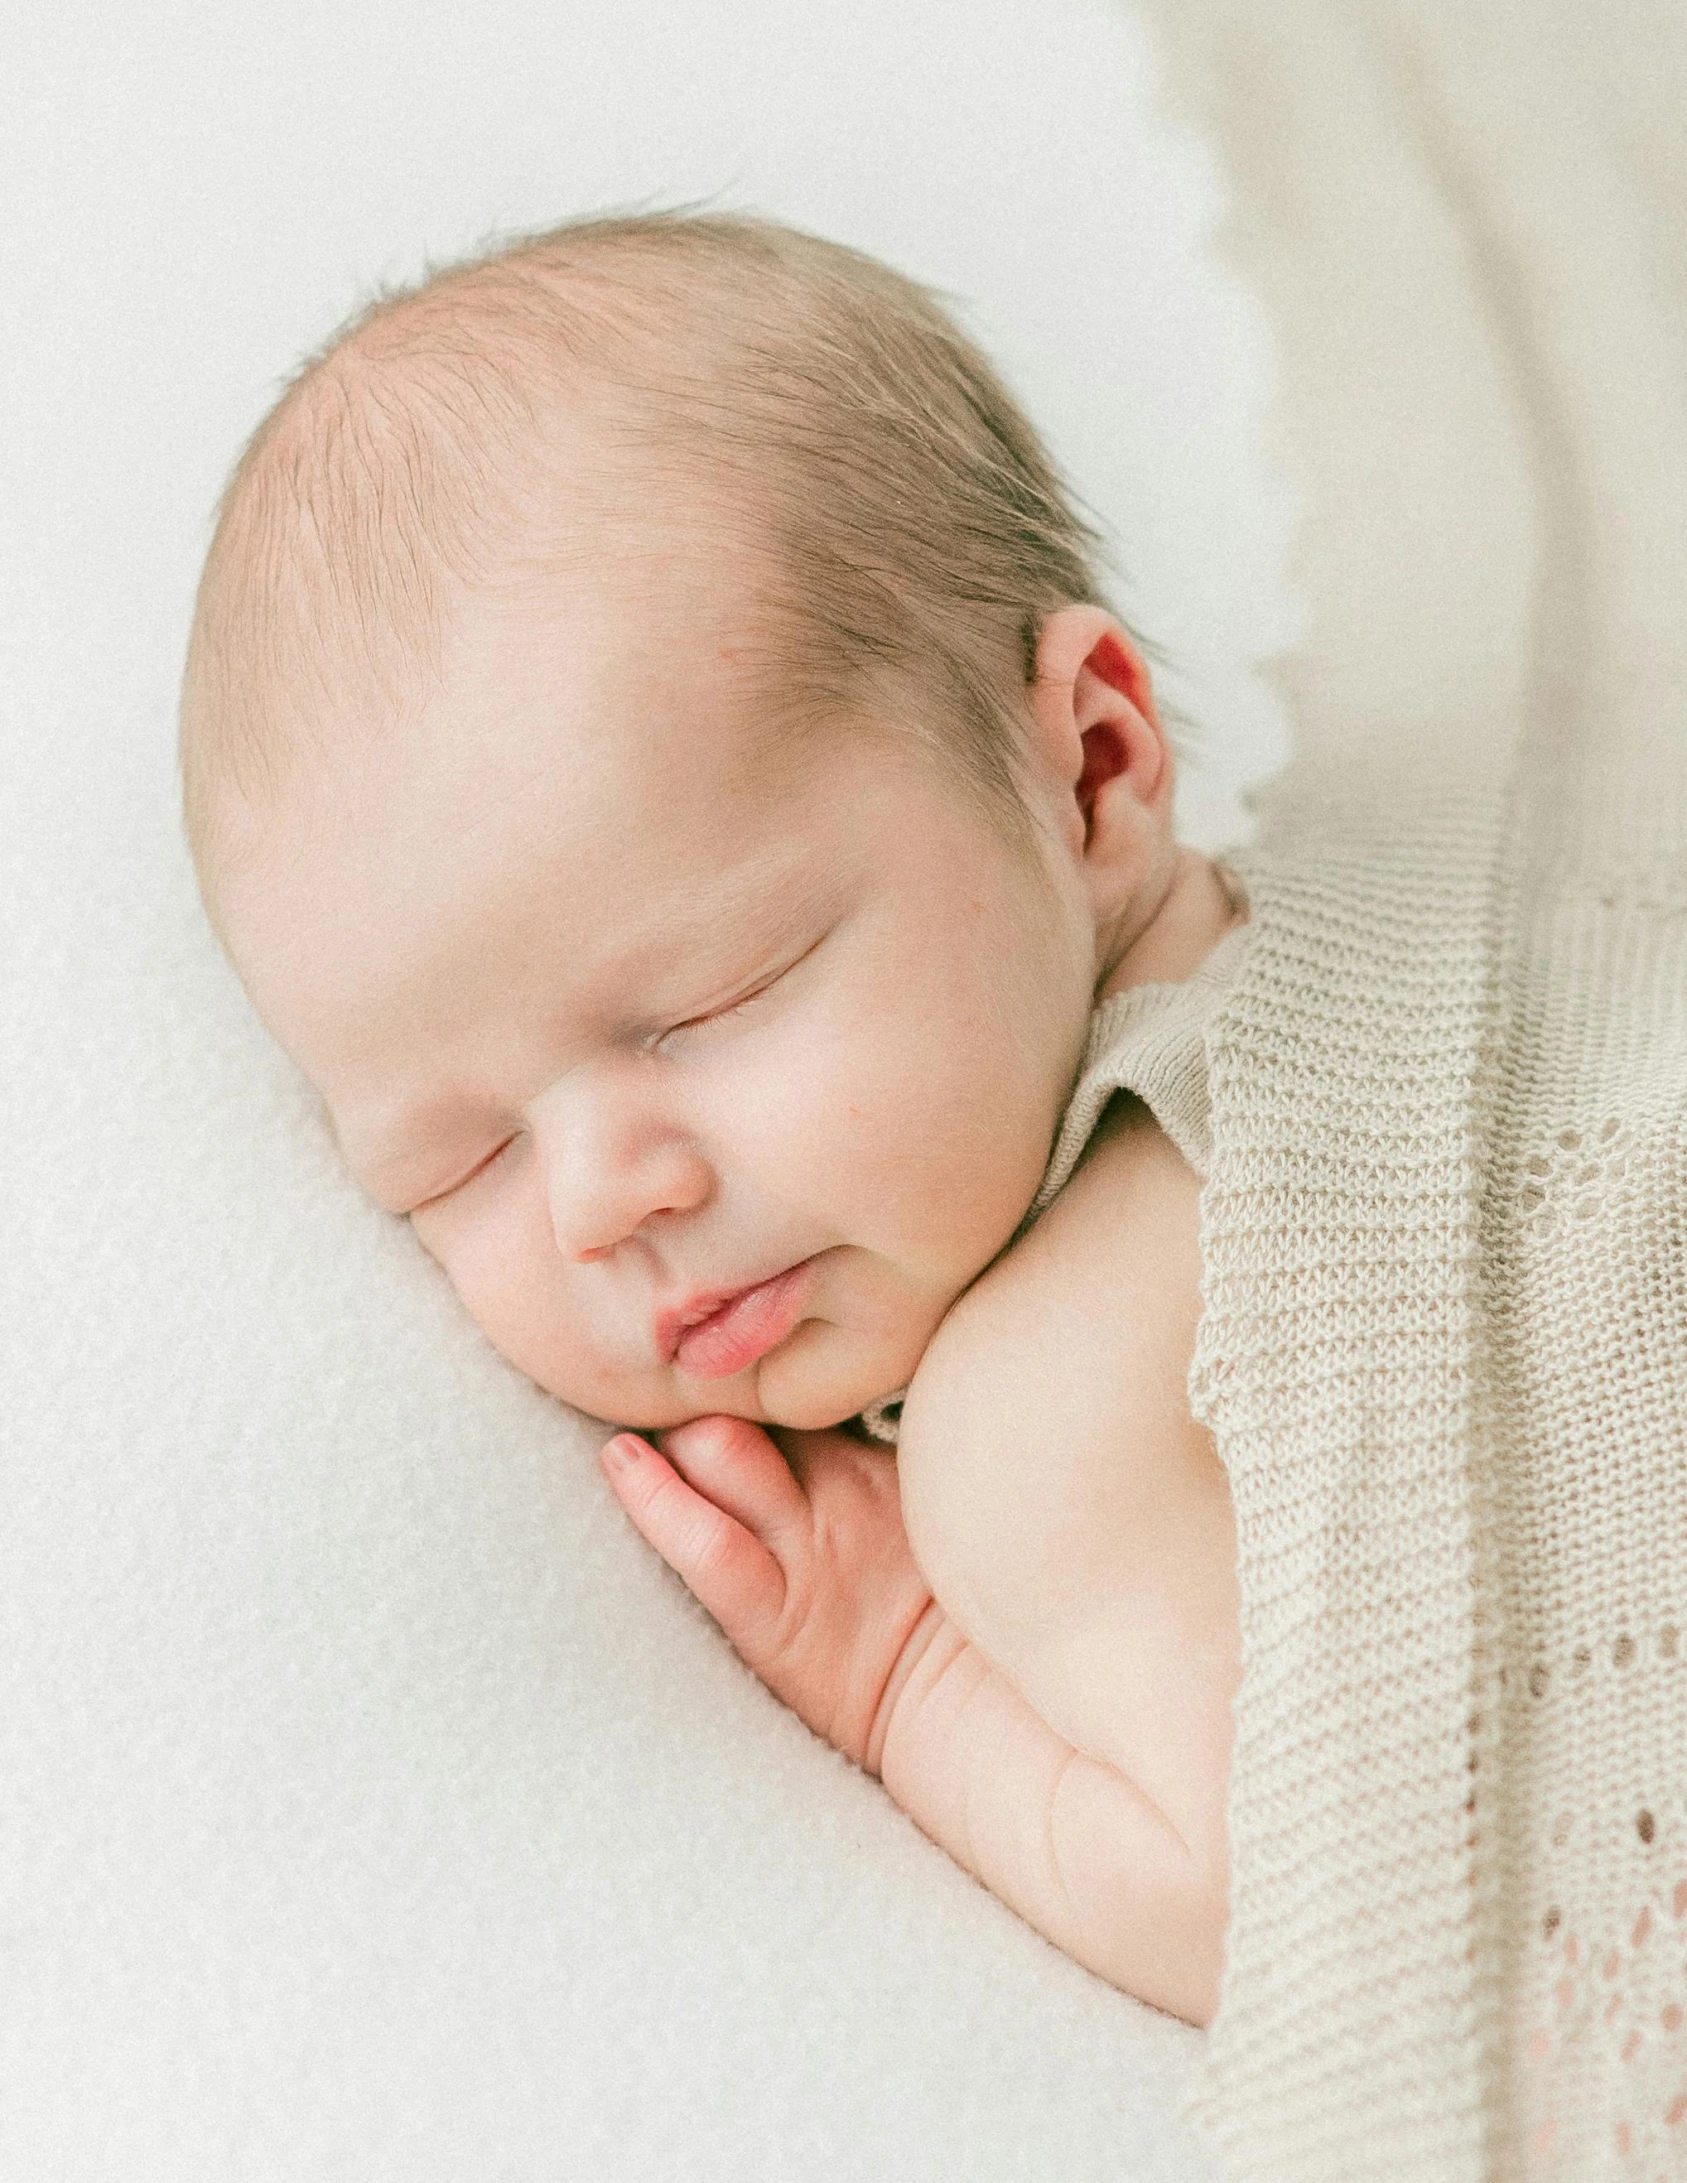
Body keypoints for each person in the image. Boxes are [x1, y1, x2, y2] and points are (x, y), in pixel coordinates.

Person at [178, 208, 1251, 2029]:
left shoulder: (1047, 1416)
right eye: (461, 1160)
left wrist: (907, 1663)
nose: (602, 1197)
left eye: (708, 1001)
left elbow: (1313, 1915)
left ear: (1089, 771)